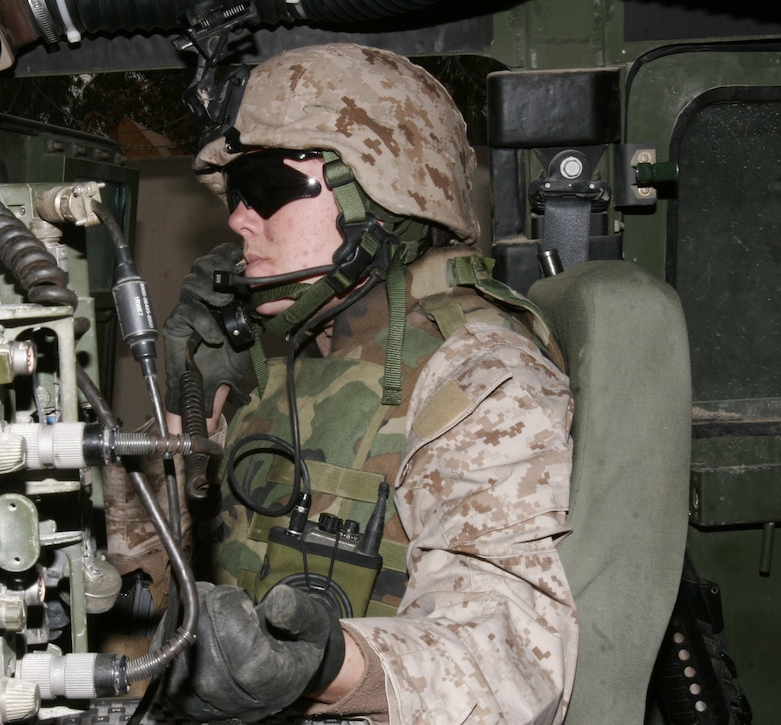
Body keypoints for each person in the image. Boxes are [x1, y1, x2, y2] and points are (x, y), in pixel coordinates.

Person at [116, 42, 578, 724]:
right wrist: (174, 459)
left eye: (268, 187)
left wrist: (330, 664)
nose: (239, 218)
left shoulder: (479, 372)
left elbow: (516, 663)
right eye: (238, 194)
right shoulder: (294, 354)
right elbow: (161, 579)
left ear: (382, 192)